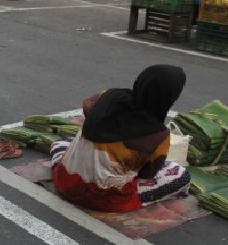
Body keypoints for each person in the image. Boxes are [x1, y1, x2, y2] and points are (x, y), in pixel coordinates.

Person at [51, 65, 191, 212]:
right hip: (108, 199)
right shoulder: (159, 135)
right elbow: (146, 174)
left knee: (61, 144)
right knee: (181, 175)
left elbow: (87, 106)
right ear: (171, 97)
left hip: (66, 183)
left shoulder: (108, 95)